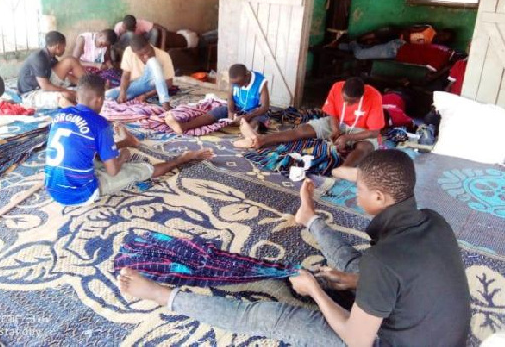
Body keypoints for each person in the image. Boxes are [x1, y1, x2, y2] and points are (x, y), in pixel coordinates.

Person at [118, 150, 471, 347]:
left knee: (270, 317)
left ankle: (164, 296)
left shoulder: (384, 261)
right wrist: (352, 282)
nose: (355, 194)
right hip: (437, 335)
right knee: (351, 267)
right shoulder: (433, 220)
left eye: (360, 190)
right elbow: (401, 277)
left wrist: (316, 291)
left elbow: (357, 340)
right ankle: (309, 218)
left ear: (379, 197)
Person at [45, 73, 214, 205]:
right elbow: (113, 171)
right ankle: (183, 158)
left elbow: (86, 149)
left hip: (53, 188)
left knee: (91, 152)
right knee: (141, 169)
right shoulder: (99, 123)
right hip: (80, 193)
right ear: (98, 100)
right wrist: (124, 156)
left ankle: (128, 142)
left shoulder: (60, 115)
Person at [234, 78, 384, 171]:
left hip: (361, 130)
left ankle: (344, 170)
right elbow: (332, 112)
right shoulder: (337, 87)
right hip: (339, 122)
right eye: (345, 99)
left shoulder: (374, 96)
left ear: (362, 96)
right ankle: (262, 139)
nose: (346, 103)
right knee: (302, 130)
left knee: (365, 148)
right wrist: (335, 128)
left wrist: (347, 137)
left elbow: (374, 132)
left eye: (352, 102)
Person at [164, 64, 270, 135]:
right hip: (238, 108)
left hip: (254, 111)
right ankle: (184, 126)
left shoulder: (260, 81)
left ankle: (250, 137)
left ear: (247, 76)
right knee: (215, 112)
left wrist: (247, 116)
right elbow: (230, 97)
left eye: (238, 83)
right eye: (233, 83)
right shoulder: (235, 80)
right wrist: (230, 113)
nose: (236, 85)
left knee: (257, 121)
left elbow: (265, 107)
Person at [17, 31, 85, 109]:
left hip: (44, 84)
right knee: (68, 95)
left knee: (71, 60)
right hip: (31, 94)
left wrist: (80, 82)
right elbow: (45, 86)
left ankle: (89, 86)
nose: (64, 49)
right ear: (58, 46)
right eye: (64, 46)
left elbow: (65, 75)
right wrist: (65, 91)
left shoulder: (50, 56)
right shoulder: (39, 58)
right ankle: (80, 114)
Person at [105, 34, 174, 111]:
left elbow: (168, 83)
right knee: (108, 95)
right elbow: (126, 76)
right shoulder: (129, 51)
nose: (146, 57)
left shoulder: (164, 56)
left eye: (148, 52)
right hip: (139, 84)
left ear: (149, 44)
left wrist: (146, 96)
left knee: (153, 62)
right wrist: (122, 92)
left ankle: (165, 102)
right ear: (134, 52)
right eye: (141, 55)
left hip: (154, 84)